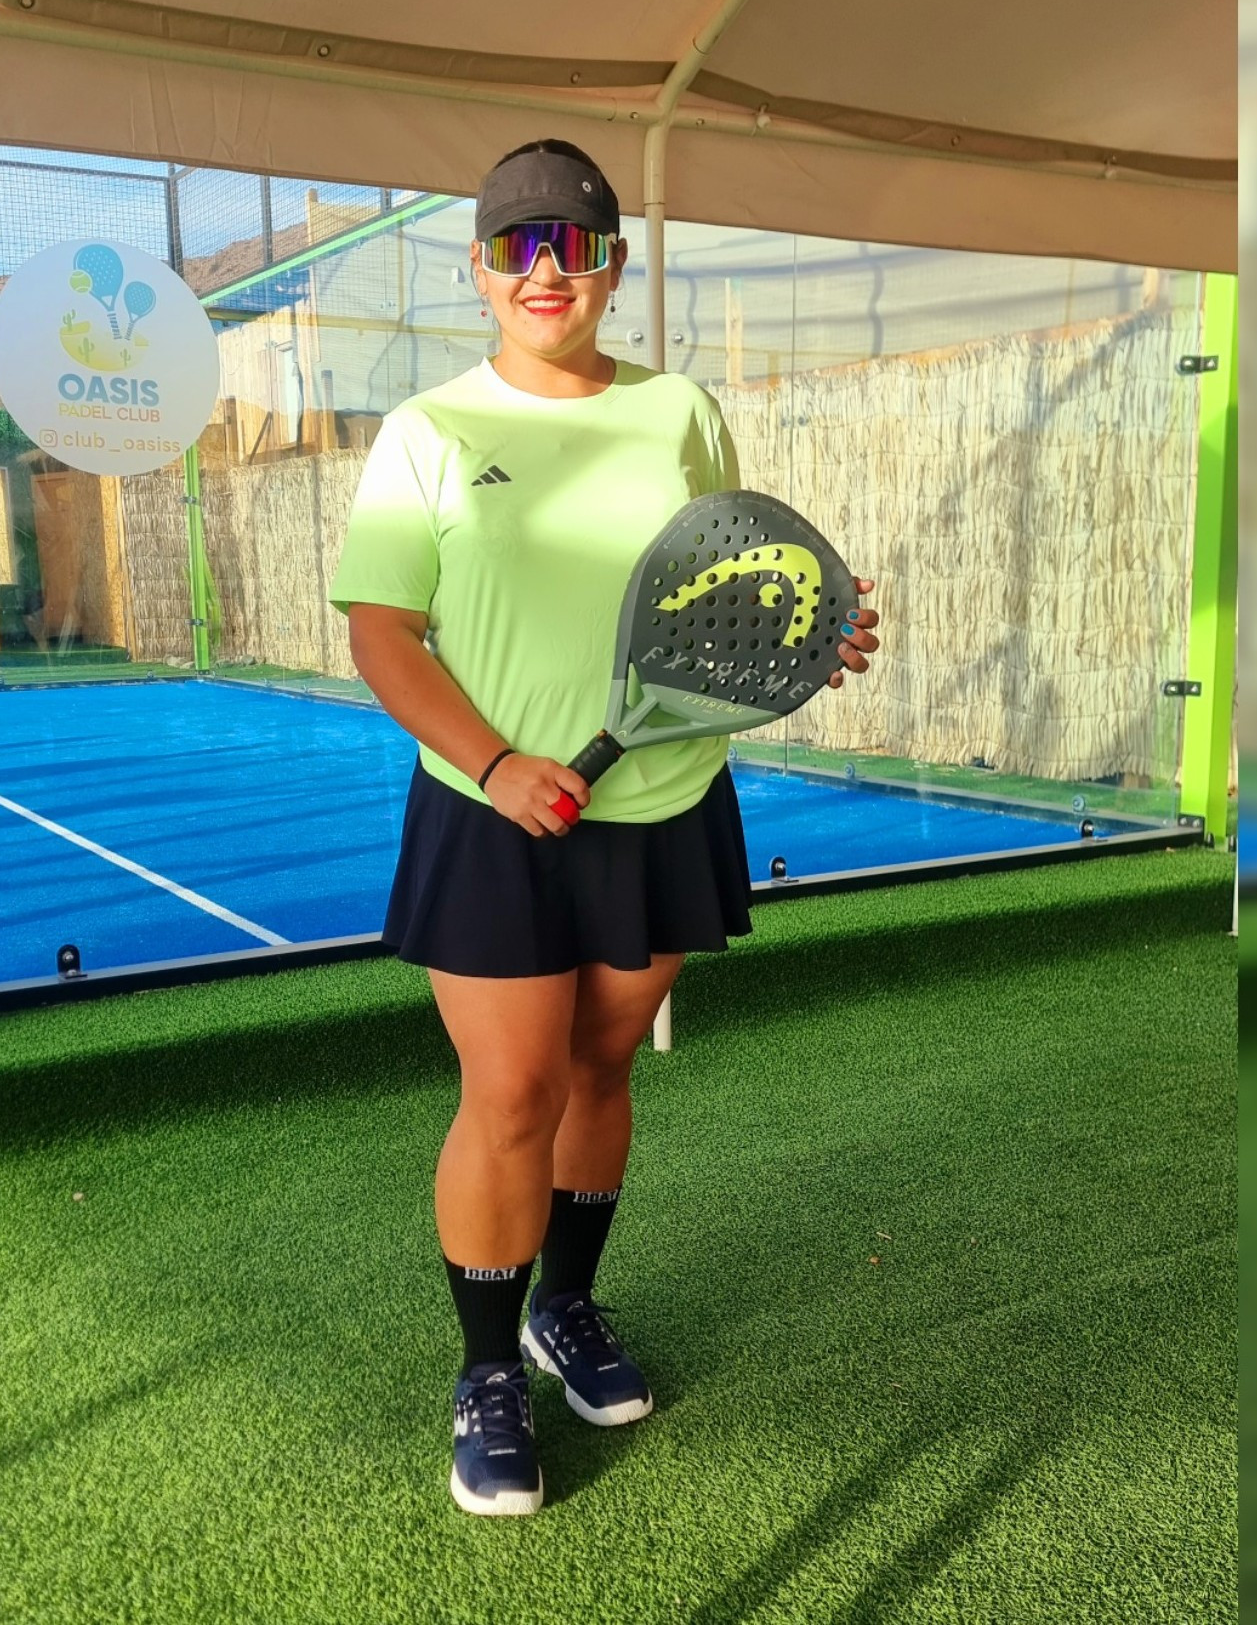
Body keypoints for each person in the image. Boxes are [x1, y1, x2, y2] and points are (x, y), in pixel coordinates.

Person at [327, 139, 880, 1517]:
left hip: (663, 800)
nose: (545, 272)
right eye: (516, 248)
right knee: (512, 1092)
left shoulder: (679, 411)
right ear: (478, 270)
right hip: (492, 816)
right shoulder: (427, 433)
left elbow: (727, 582)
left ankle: (562, 1308)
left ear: (612, 268)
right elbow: (382, 632)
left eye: (570, 247)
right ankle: (485, 1371)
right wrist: (496, 762)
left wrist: (803, 638)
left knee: (600, 1065)